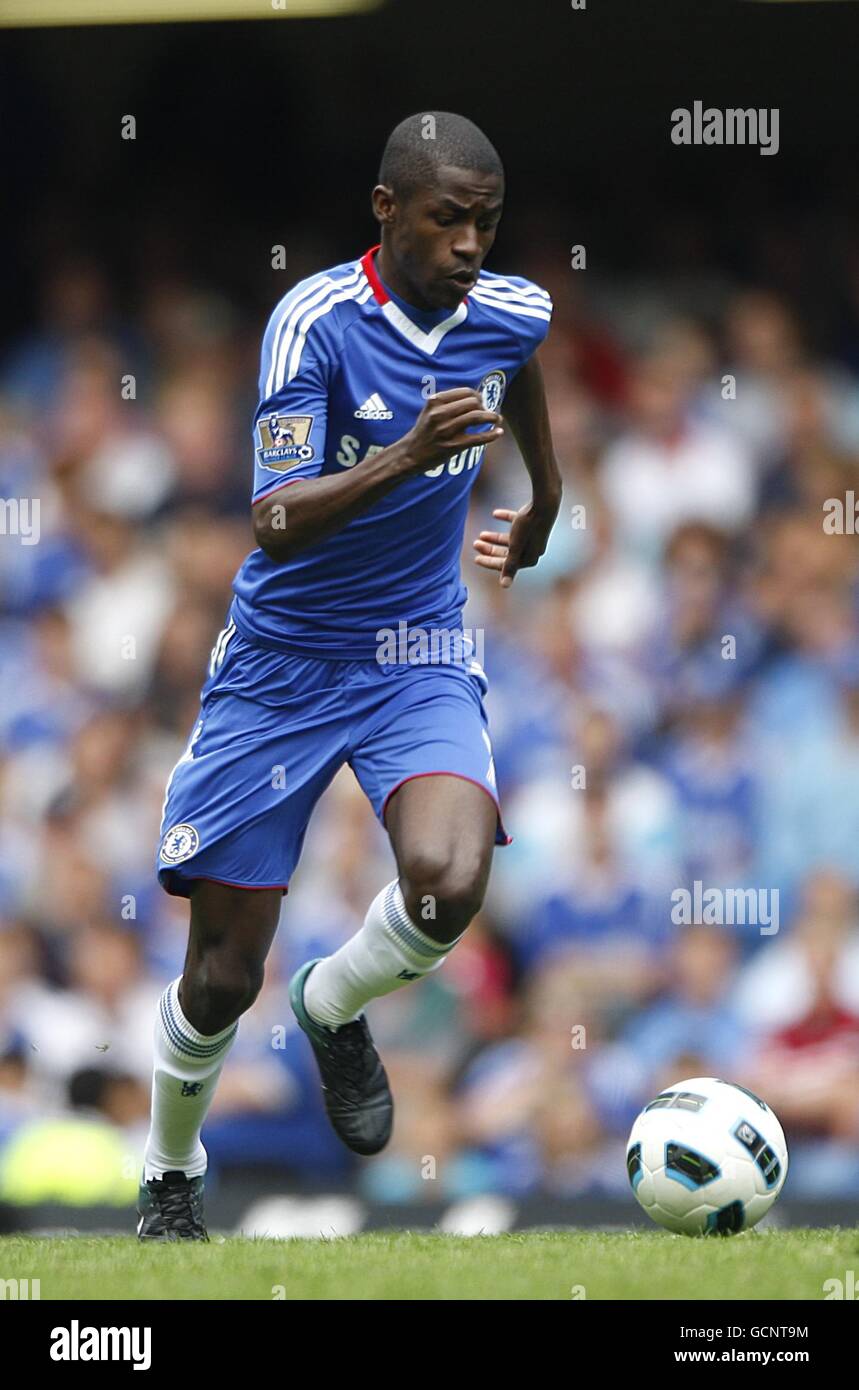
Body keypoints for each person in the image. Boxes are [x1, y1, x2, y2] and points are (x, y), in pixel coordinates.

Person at [138, 111, 561, 1241]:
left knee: (448, 879)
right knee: (223, 977)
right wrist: (408, 457)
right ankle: (171, 1173)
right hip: (279, 663)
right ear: (387, 210)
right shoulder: (312, 321)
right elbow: (272, 519)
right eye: (447, 218)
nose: (471, 242)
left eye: (487, 221)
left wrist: (543, 509)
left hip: (415, 648)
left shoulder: (511, 311)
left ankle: (333, 1006)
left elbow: (517, 381)